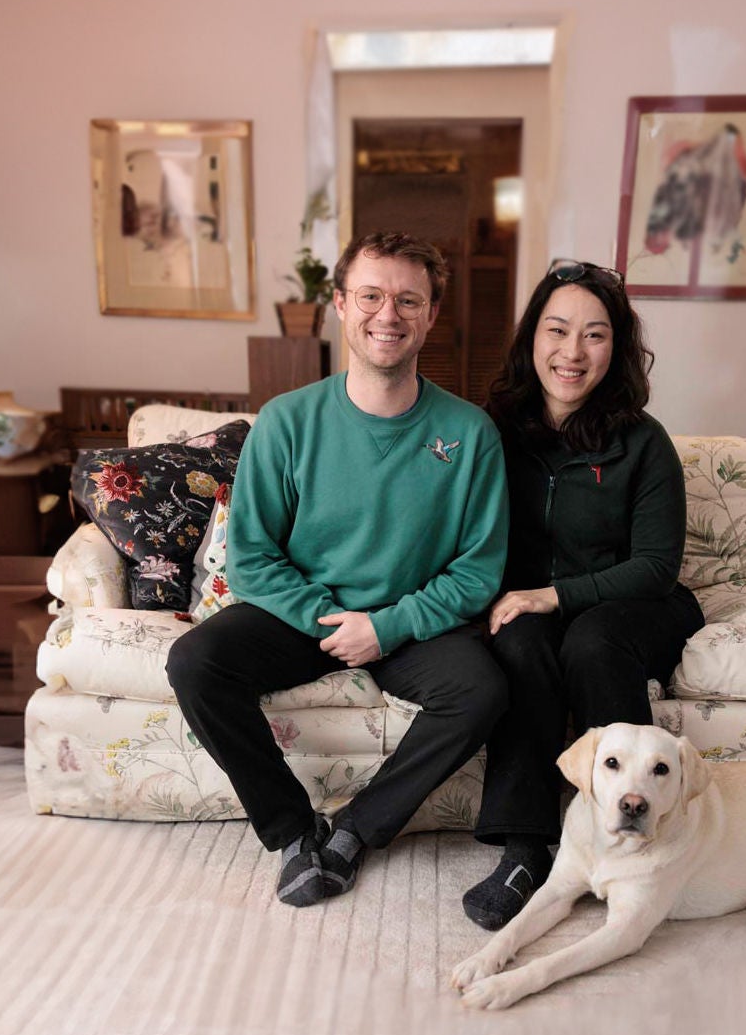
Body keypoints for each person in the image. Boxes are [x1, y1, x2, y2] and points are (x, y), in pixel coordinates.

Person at [167, 232, 509, 907]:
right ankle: (295, 832)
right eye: (372, 296)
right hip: (307, 614)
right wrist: (333, 623)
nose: (390, 315)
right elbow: (254, 558)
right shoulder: (287, 422)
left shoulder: (471, 434)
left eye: (409, 300)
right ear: (341, 306)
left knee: (483, 692)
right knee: (195, 663)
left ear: (431, 315)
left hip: (413, 624)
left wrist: (385, 628)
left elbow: (478, 571)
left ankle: (355, 830)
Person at [463, 259, 704, 930]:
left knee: (591, 641)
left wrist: (552, 595)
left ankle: (633, 838)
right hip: (530, 609)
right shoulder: (493, 431)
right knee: (519, 642)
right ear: (531, 339)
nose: (572, 352)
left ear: (617, 348)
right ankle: (525, 849)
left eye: (594, 335)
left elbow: (656, 565)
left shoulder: (642, 442)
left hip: (635, 606)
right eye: (557, 330)